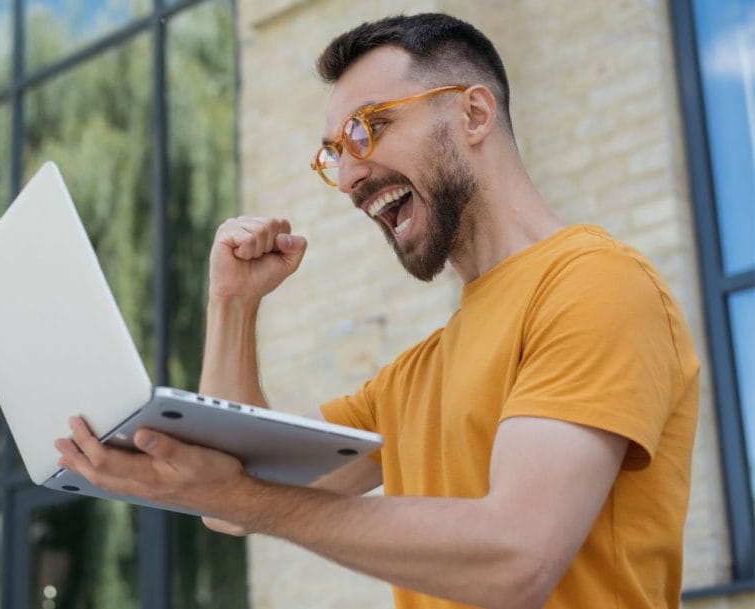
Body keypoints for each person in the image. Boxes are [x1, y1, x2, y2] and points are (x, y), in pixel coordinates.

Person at [55, 13, 699, 609]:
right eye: (335, 150)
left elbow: (517, 556)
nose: (346, 175)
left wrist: (240, 496)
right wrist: (233, 305)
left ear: (473, 113)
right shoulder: (411, 379)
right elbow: (233, 500)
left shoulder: (595, 284)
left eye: (370, 127)